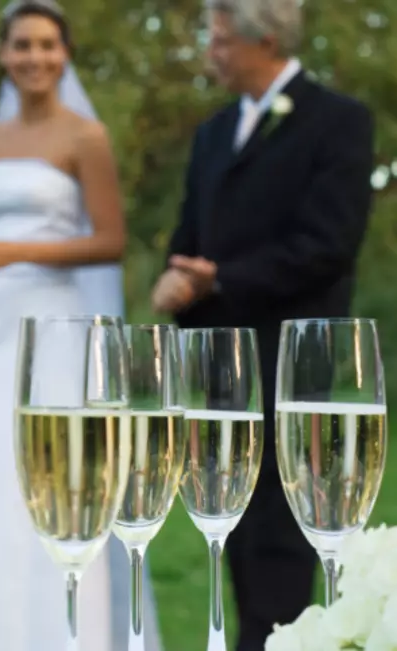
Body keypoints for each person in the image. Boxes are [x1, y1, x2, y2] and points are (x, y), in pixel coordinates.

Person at [0, 1, 160, 649]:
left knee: (43, 473)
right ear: (2, 55)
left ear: (64, 53)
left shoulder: (84, 138)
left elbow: (108, 240)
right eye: (21, 45)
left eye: (46, 45)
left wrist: (17, 251)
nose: (33, 57)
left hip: (53, 327)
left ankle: (56, 629)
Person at [152, 0, 374, 648]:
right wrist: (174, 279)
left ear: (265, 40)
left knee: (280, 534)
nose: (210, 53)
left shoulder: (337, 122)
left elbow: (327, 243)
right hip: (217, 370)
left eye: (220, 41)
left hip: (291, 365)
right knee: (230, 527)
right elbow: (188, 236)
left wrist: (217, 276)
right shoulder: (212, 132)